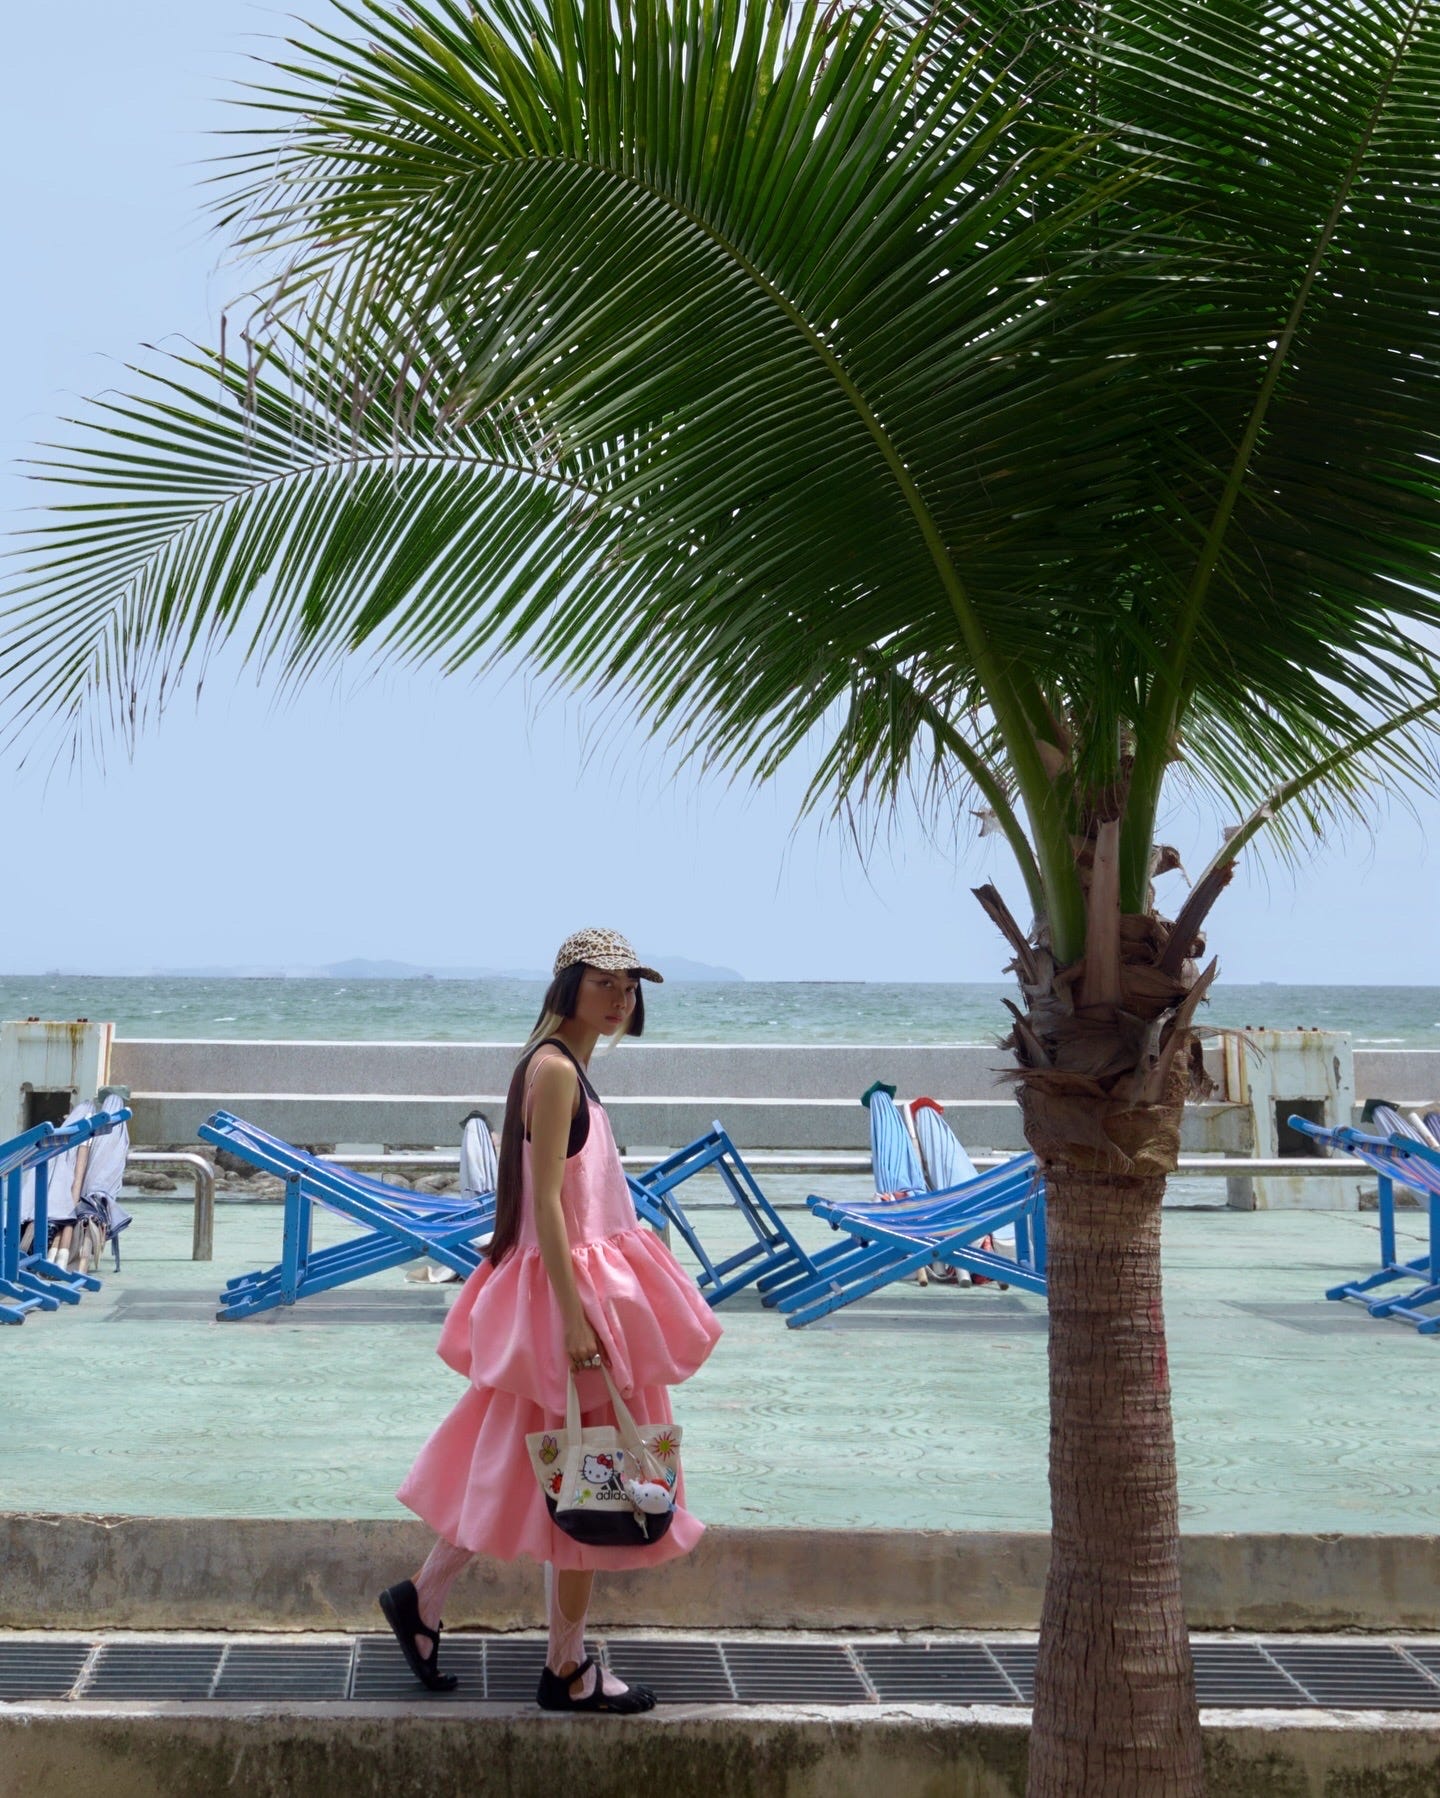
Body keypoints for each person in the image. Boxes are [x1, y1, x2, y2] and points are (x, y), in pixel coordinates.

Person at [381, 928, 722, 1710]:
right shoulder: (557, 1070)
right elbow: (547, 1207)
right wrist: (575, 1321)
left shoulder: (559, 1066)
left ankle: (424, 1598)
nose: (621, 997)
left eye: (630, 986)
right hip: (575, 1298)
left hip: (569, 1291)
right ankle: (565, 1668)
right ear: (569, 985)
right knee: (596, 1474)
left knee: (523, 1459)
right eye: (605, 982)